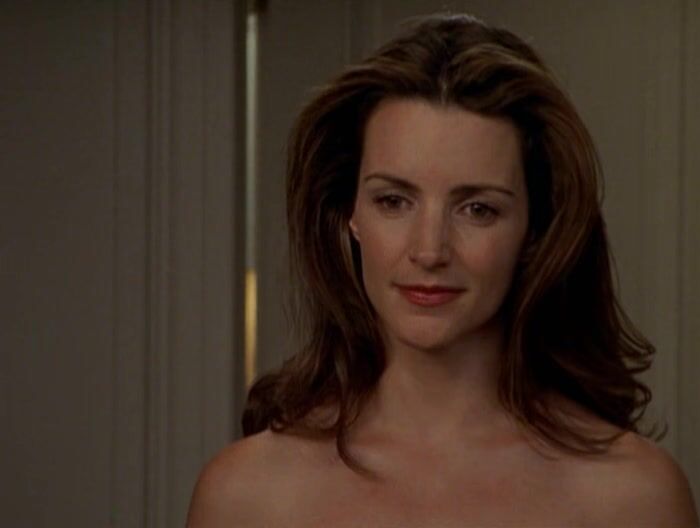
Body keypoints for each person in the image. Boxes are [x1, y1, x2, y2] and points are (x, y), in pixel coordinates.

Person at [187, 13, 698, 527]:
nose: (429, 250)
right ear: (349, 214)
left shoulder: (632, 498)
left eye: (477, 209)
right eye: (393, 201)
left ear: (535, 227)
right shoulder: (247, 495)